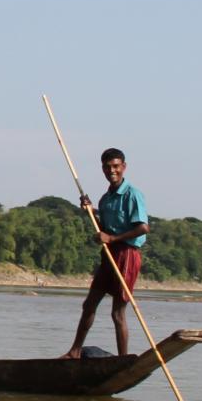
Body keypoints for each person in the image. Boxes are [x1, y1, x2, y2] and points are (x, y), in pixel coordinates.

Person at [63, 147, 149, 358]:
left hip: (127, 254)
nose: (112, 170)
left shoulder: (133, 194)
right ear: (103, 169)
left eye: (116, 166)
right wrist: (91, 212)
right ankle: (75, 351)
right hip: (109, 255)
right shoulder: (105, 199)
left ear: (124, 167)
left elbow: (142, 227)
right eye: (108, 167)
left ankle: (122, 360)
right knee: (89, 304)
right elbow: (104, 229)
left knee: (117, 313)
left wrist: (112, 238)